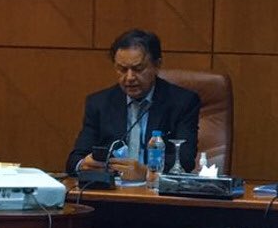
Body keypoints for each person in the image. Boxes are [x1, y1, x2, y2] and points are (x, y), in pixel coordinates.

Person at [67, 29, 199, 176]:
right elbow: (74, 160)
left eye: (138, 69)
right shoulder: (99, 103)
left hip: (156, 187)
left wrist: (147, 172)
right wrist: (84, 165)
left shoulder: (182, 102)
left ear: (157, 65)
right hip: (112, 187)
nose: (129, 77)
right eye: (122, 69)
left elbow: (185, 161)